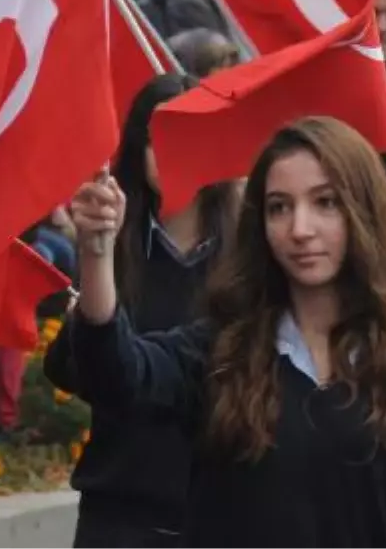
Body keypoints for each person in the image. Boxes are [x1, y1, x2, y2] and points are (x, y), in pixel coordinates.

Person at [62, 117, 386, 549]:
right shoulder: (223, 355)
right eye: (279, 207)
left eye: (325, 202)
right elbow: (117, 375)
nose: (300, 230)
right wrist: (97, 255)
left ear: (365, 212)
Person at [45, 73, 240, 548]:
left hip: (221, 511)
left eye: (184, 136)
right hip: (121, 510)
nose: (169, 153)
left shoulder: (248, 253)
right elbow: (71, 368)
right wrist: (94, 275)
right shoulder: (112, 248)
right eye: (155, 140)